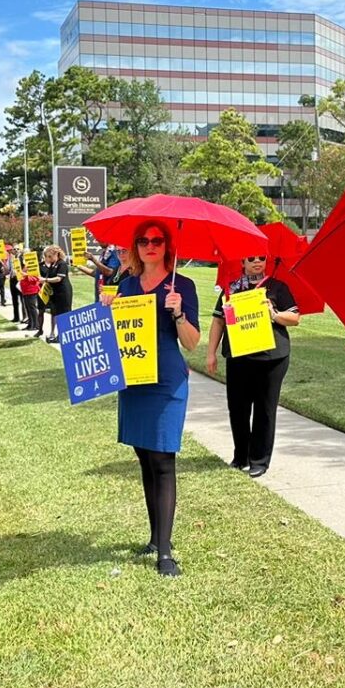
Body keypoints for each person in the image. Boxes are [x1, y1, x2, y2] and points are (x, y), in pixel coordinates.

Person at [106, 220, 199, 577]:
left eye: (157, 240)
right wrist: (106, 309)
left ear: (167, 246)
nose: (150, 246)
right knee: (145, 457)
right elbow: (111, 335)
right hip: (134, 380)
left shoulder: (183, 286)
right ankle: (155, 537)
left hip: (167, 382)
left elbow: (191, 342)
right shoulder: (125, 286)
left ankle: (165, 552)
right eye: (143, 240)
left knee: (163, 459)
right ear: (136, 246)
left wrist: (177, 312)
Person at [205, 252, 300, 477]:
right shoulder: (231, 289)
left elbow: (295, 318)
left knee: (264, 410)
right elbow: (218, 321)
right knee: (237, 408)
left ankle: (259, 460)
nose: (257, 262)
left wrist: (273, 314)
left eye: (261, 258)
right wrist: (211, 353)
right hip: (239, 356)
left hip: (272, 358)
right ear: (242, 263)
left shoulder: (278, 287)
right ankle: (241, 456)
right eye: (251, 258)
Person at [39, 245, 72, 344]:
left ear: (56, 254)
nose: (48, 259)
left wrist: (45, 280)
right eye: (47, 257)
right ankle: (59, 335)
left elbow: (58, 278)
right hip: (55, 293)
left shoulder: (62, 264)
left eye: (50, 256)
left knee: (64, 313)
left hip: (63, 292)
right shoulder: (53, 264)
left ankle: (64, 335)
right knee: (57, 313)